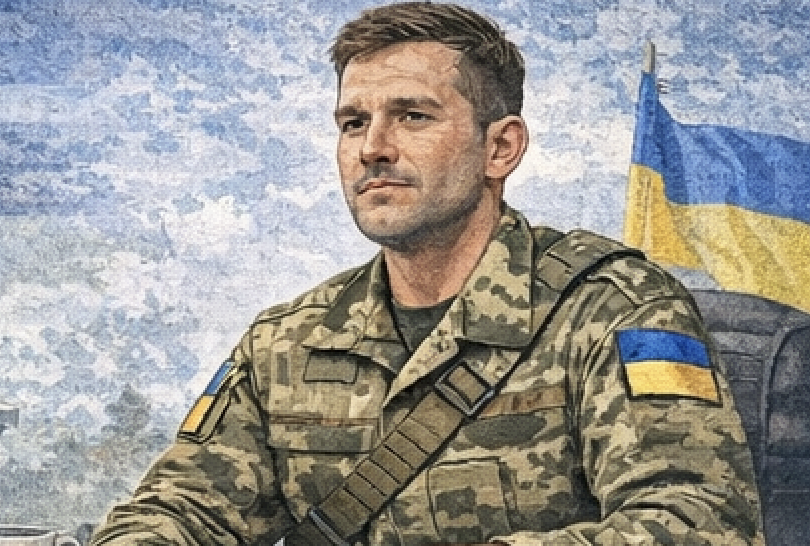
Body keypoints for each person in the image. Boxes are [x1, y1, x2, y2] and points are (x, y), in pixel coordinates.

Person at [90, 3, 764, 545]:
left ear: (500, 148)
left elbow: (699, 522)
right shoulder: (288, 342)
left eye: (412, 116)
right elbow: (182, 510)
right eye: (353, 123)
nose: (372, 148)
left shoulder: (612, 310)